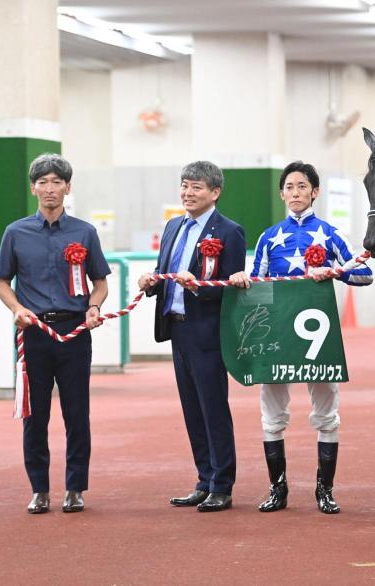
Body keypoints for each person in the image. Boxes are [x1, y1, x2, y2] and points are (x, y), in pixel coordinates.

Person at [229, 160, 372, 514]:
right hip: (275, 336)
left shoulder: (331, 234)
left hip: (317, 339)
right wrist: (243, 281)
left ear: (315, 192)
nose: (295, 193)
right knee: (272, 413)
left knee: (326, 412)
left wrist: (335, 272)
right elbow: (257, 287)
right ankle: (278, 489)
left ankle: (325, 490)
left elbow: (365, 273)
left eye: (302, 187)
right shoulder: (268, 236)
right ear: (282, 194)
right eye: (289, 187)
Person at [0, 153, 110, 515]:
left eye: (56, 182)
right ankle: (39, 489)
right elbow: (1, 281)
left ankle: (75, 488)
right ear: (33, 188)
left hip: (75, 331)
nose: (49, 189)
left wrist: (93, 307)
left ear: (67, 187)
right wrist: (17, 308)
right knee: (35, 415)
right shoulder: (16, 232)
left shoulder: (84, 232)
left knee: (77, 413)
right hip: (34, 333)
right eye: (42, 182)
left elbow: (100, 282)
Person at [138, 161, 246, 512]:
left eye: (196, 187)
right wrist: (152, 282)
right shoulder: (173, 226)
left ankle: (222, 485)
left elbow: (231, 287)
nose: (187, 193)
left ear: (215, 192)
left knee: (213, 407)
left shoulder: (229, 231)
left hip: (208, 331)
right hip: (177, 329)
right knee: (192, 409)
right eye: (184, 186)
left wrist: (198, 287)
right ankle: (203, 480)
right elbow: (163, 270)